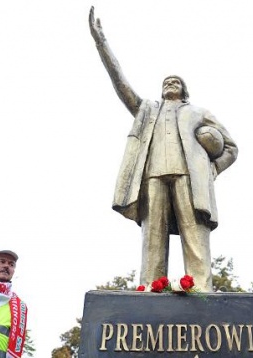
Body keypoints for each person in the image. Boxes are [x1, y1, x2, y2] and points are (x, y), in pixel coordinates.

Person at [88, 7, 238, 292]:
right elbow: (122, 86)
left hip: (188, 177)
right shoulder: (148, 110)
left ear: (184, 90)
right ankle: (150, 285)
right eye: (166, 82)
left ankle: (201, 286)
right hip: (153, 176)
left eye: (176, 81)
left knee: (195, 233)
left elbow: (230, 147)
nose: (170, 83)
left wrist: (213, 168)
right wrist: (101, 43)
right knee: (152, 237)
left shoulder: (198, 112)